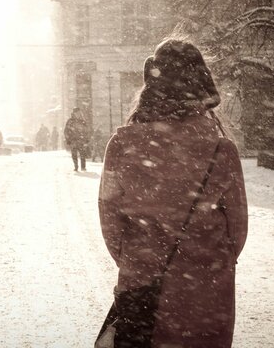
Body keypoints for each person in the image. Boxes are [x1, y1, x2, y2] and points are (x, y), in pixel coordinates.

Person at [97, 38, 248, 348]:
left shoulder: (121, 146)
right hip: (207, 291)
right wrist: (204, 261)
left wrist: (138, 260)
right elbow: (237, 230)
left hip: (141, 287)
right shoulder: (222, 151)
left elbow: (109, 220)